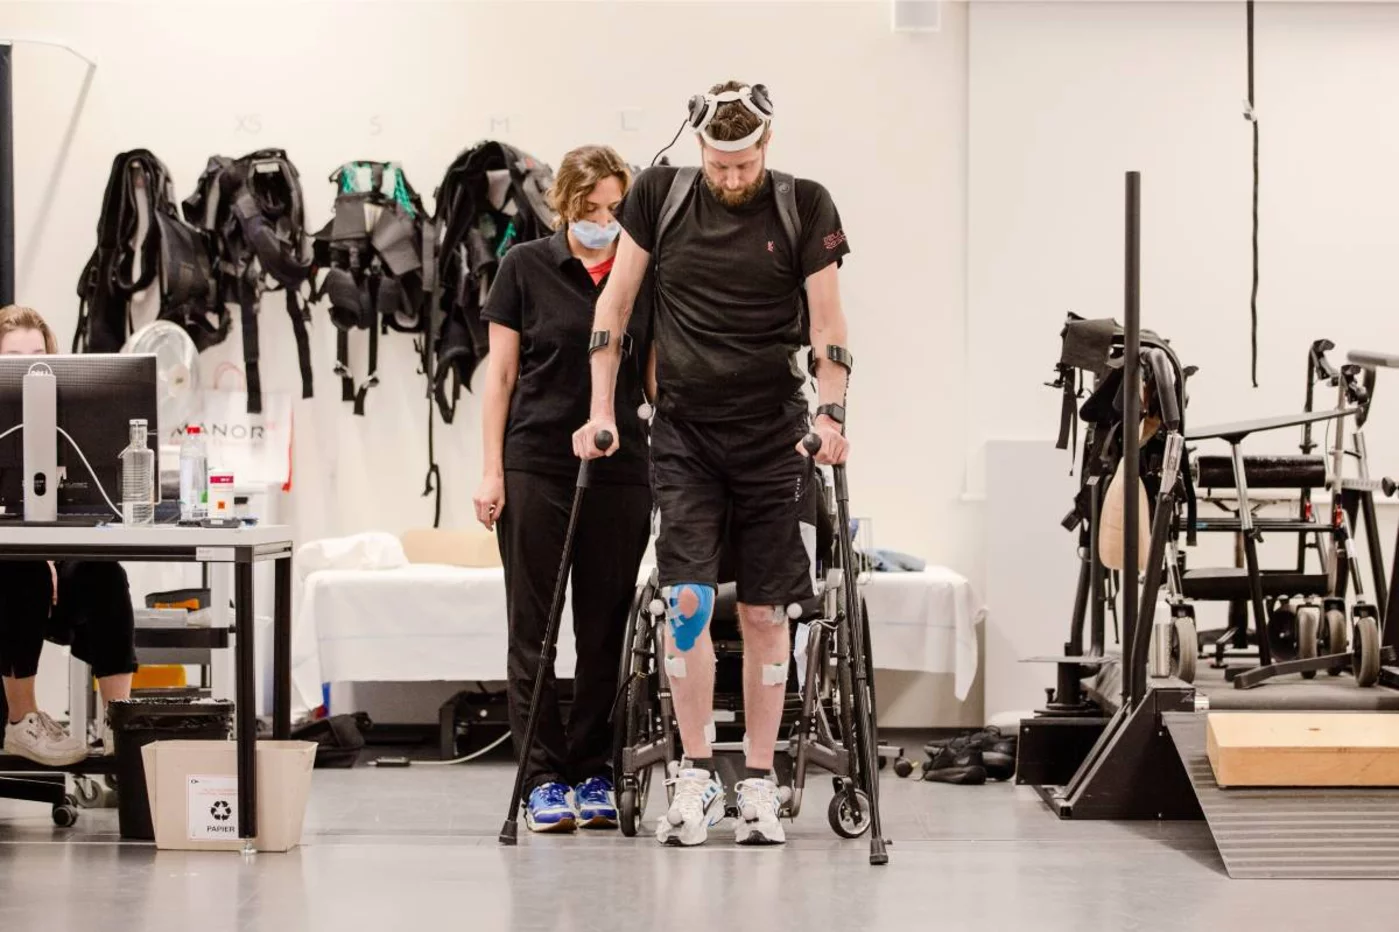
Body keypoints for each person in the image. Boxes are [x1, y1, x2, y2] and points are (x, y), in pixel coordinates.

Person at [573, 80, 853, 847]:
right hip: (685, 433)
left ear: (767, 145)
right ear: (699, 148)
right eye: (719, 164)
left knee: (766, 612)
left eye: (745, 163)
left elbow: (827, 325)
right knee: (687, 603)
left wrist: (830, 413)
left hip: (774, 435)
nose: (732, 178)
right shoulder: (659, 197)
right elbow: (615, 307)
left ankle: (759, 780)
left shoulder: (805, 204)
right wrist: (602, 410)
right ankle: (693, 775)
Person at [474, 146, 654, 833]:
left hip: (622, 470)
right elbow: (499, 380)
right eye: (590, 209)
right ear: (565, 206)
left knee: (605, 627)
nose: (603, 221)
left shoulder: (643, 274)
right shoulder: (523, 267)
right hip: (536, 464)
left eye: (614, 209)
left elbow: (655, 379)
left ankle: (594, 771)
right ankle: (543, 779)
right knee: (537, 629)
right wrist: (491, 470)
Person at [0, 305, 139, 766]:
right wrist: (38, 557)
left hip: (53, 563)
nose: (27, 367)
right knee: (24, 575)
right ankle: (23, 723)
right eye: (13, 357)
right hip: (13, 573)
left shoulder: (72, 413)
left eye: (37, 355)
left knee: (105, 576)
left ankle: (120, 724)